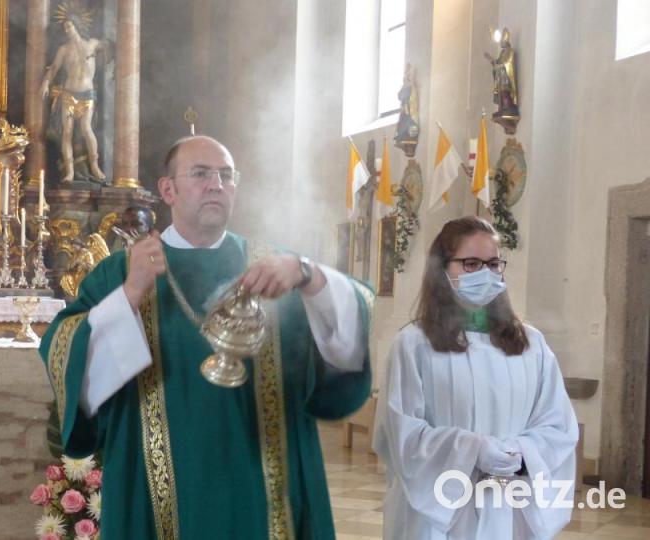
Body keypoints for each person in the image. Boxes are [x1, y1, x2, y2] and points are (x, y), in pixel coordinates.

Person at [40, 135, 374, 538]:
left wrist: (310, 275)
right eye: (200, 174)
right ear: (168, 190)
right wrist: (130, 294)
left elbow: (346, 343)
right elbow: (65, 354)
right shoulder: (121, 272)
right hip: (153, 493)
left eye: (226, 175)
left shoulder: (278, 268)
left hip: (262, 490)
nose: (216, 184)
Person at [373, 216, 578, 539]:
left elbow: (558, 425)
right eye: (471, 264)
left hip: (508, 503)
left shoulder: (531, 344)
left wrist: (522, 453)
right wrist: (471, 450)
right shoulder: (414, 344)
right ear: (442, 269)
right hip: (440, 507)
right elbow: (402, 434)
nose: (485, 274)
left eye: (493, 264)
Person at [40, 18, 107, 182]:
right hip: (69, 94)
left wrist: (106, 53)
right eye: (65, 28)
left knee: (86, 128)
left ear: (77, 26)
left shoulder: (91, 44)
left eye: (69, 26)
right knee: (67, 132)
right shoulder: (64, 50)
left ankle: (95, 166)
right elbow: (54, 68)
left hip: (87, 93)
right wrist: (45, 83)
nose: (67, 30)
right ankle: (69, 172)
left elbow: (108, 45)